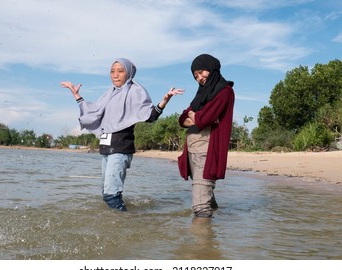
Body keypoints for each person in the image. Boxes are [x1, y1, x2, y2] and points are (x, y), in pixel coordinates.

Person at [61, 58, 183, 212]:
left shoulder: (134, 92)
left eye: (120, 71)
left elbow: (150, 116)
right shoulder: (108, 94)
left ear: (129, 73)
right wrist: (76, 94)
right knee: (106, 195)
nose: (115, 75)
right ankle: (117, 227)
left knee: (111, 195)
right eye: (112, 71)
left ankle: (127, 227)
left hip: (120, 149)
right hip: (106, 149)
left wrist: (165, 100)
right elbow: (93, 111)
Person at [177, 54, 235, 218]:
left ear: (212, 69)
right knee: (205, 195)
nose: (200, 78)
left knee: (201, 207)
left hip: (206, 150)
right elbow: (182, 118)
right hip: (193, 150)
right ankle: (213, 235)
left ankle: (202, 243)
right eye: (195, 76)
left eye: (202, 72)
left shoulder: (224, 92)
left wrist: (195, 116)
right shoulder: (201, 95)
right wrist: (193, 115)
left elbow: (205, 119)